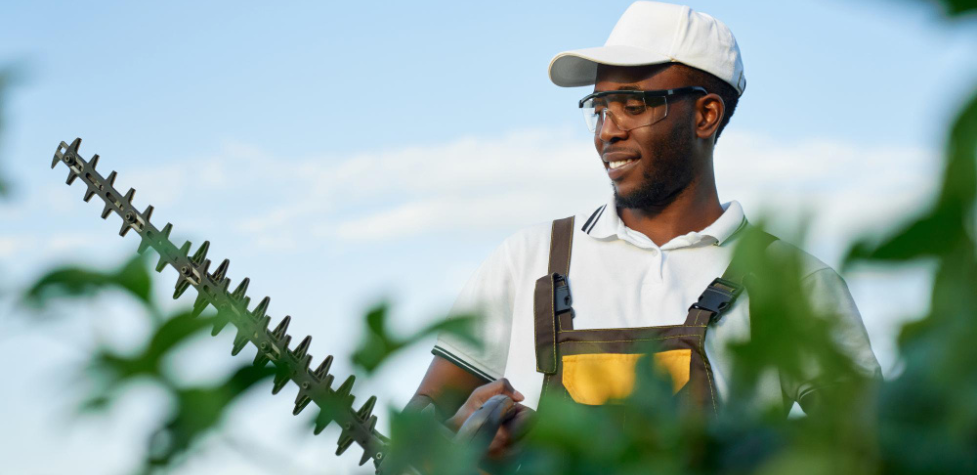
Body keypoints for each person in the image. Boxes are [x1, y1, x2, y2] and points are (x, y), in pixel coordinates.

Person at [406, 0, 880, 454]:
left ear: (705, 115)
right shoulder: (528, 260)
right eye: (599, 108)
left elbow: (869, 451)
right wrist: (458, 446)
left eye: (633, 105)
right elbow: (418, 430)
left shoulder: (796, 283)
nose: (606, 131)